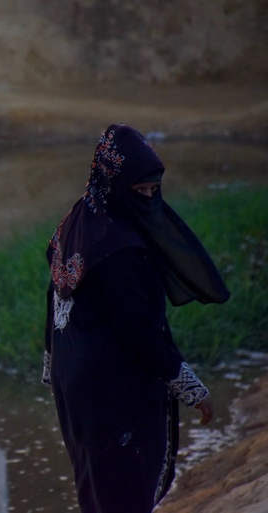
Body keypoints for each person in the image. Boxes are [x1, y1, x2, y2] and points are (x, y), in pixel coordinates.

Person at [41, 124, 229, 512]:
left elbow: (55, 295)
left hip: (73, 384)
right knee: (123, 490)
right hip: (110, 390)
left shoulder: (77, 221)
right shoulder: (120, 249)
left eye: (152, 191)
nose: (146, 200)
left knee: (97, 484)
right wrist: (190, 386)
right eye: (138, 191)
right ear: (114, 184)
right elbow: (139, 331)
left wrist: (52, 366)